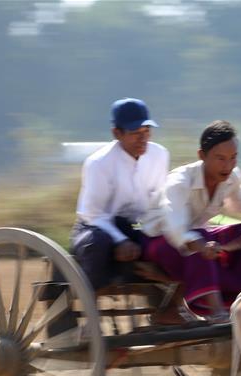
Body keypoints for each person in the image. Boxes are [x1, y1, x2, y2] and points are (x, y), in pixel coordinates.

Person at [140, 120, 241, 322]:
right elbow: (177, 231)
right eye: (220, 158)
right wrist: (201, 246)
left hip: (200, 240)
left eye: (233, 158)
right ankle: (217, 312)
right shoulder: (178, 182)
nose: (228, 165)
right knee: (200, 237)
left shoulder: (231, 177)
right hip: (160, 243)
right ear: (202, 156)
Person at [71, 98, 169, 291]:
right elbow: (93, 215)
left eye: (146, 131)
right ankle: (91, 299)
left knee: (171, 241)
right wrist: (120, 240)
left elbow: (158, 201)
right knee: (98, 243)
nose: (143, 139)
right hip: (95, 228)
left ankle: (172, 305)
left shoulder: (160, 155)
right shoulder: (98, 163)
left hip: (135, 225)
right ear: (117, 133)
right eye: (135, 133)